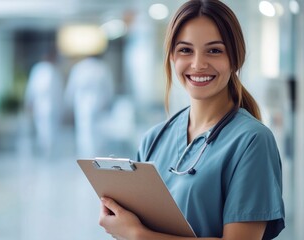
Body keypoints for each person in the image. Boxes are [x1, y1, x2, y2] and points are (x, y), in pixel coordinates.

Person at [98, 0, 285, 239]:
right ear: (172, 58)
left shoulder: (252, 141)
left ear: (235, 58)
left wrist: (137, 235)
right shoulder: (154, 139)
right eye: (185, 50)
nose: (198, 64)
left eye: (214, 50)